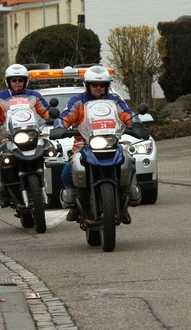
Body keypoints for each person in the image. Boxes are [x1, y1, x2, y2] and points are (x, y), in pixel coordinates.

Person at [54, 65, 143, 223]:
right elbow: (66, 115)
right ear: (87, 85)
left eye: (102, 85)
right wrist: (60, 127)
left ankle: (123, 203)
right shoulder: (78, 101)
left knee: (130, 166)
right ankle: (75, 204)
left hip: (111, 143)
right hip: (84, 144)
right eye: (94, 85)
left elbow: (126, 113)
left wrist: (136, 123)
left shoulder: (114, 100)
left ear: (107, 86)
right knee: (66, 171)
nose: (98, 88)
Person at [0, 64, 51, 208]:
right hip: (7, 136)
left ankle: (45, 182)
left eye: (20, 80)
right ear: (8, 81)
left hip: (32, 134)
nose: (17, 83)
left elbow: (46, 112)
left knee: (49, 151)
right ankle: (2, 187)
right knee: (1, 157)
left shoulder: (34, 96)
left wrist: (53, 117)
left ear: (25, 81)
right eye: (14, 80)